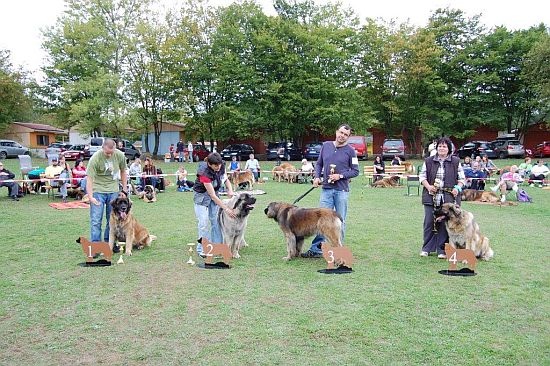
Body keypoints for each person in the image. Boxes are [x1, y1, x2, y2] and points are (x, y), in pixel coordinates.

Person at [301, 124, 360, 258]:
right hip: (326, 190)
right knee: (321, 221)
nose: (342, 136)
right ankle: (316, 249)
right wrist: (316, 177)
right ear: (336, 132)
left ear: (348, 137)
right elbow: (319, 164)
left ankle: (339, 251)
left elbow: (355, 171)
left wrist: (340, 176)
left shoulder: (351, 151)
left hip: (341, 191)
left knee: (340, 221)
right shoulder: (326, 145)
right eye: (341, 132)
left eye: (346, 134)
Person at [419, 137, 465, 258]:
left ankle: (442, 250)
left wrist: (457, 189)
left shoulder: (455, 161)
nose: (441, 148)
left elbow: (462, 179)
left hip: (448, 198)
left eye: (444, 146)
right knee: (429, 222)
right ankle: (427, 248)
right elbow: (422, 176)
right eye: (439, 146)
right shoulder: (429, 161)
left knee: (445, 223)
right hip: (431, 196)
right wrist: (428, 187)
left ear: (449, 149)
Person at [193, 152, 236, 256]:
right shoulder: (204, 173)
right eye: (216, 165)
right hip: (202, 196)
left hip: (214, 194)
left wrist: (230, 190)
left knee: (215, 221)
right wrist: (226, 208)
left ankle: (218, 247)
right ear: (209, 164)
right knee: (203, 223)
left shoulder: (221, 166)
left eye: (219, 164)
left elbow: (225, 180)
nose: (218, 167)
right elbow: (212, 195)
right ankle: (202, 249)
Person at [86, 138, 127, 244]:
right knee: (96, 220)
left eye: (111, 152)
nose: (109, 155)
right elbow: (89, 178)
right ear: (102, 148)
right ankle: (96, 245)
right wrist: (91, 196)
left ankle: (109, 242)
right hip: (98, 190)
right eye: (107, 153)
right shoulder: (95, 158)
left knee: (112, 219)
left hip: (113, 190)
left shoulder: (119, 155)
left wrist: (124, 190)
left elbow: (123, 171)